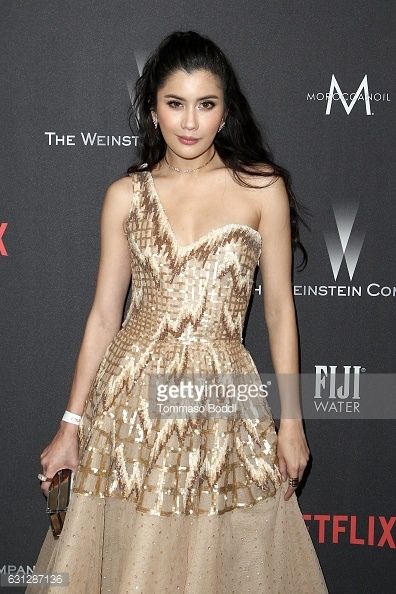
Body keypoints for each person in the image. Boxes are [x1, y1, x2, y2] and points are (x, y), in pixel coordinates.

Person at [28, 30, 328, 593]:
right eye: (175, 103)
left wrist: (292, 423)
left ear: (225, 111)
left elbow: (281, 314)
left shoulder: (262, 189)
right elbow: (102, 317)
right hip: (129, 408)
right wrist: (71, 425)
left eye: (206, 104)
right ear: (152, 109)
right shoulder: (126, 195)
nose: (190, 122)